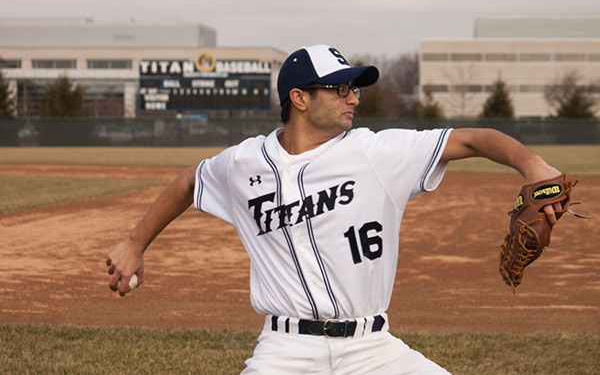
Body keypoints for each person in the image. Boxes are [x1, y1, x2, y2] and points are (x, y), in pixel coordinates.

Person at [106, 44, 563, 374]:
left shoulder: (376, 152)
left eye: (354, 88)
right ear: (299, 98)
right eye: (340, 88)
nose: (354, 97)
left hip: (374, 350)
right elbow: (190, 180)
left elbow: (470, 138)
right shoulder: (244, 163)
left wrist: (532, 165)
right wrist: (134, 243)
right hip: (286, 350)